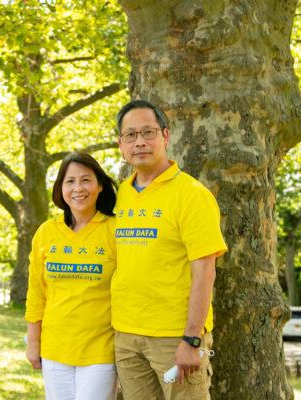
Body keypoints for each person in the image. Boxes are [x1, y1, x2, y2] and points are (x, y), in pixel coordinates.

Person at [112, 100, 228, 400]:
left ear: (165, 136)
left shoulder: (192, 195)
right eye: (130, 135)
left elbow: (205, 270)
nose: (140, 141)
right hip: (126, 336)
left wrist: (192, 338)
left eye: (148, 132)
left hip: (174, 338)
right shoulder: (121, 194)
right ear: (120, 144)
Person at [25, 152, 118, 400]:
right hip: (55, 349)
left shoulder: (116, 231)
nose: (78, 188)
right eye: (70, 181)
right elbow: (36, 292)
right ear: (60, 189)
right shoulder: (46, 232)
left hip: (101, 350)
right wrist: (33, 343)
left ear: (100, 186)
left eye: (86, 180)